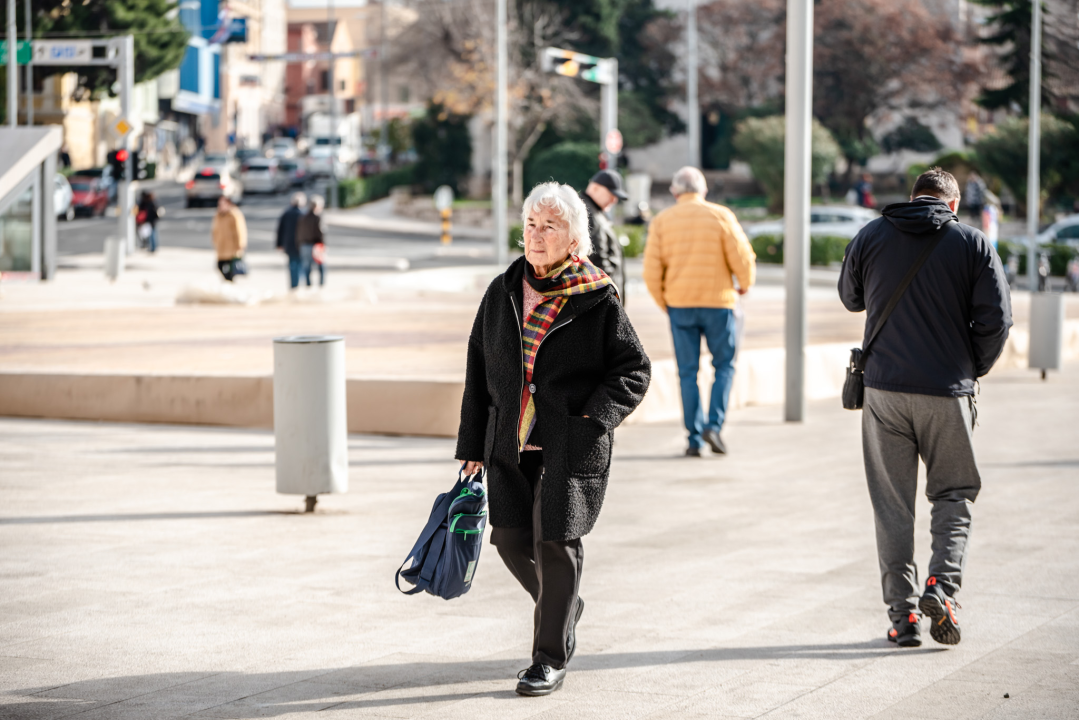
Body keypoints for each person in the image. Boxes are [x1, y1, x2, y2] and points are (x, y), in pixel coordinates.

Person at [456, 182, 651, 697]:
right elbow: (478, 369)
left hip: (571, 441)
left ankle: (549, 657)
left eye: (551, 227)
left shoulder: (597, 296)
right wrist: (471, 445)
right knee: (509, 537)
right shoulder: (503, 291)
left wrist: (595, 417)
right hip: (508, 442)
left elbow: (634, 368)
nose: (537, 237)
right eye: (531, 226)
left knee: (555, 542)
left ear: (574, 239)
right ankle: (563, 607)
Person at [839, 167, 1012, 648]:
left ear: (913, 196)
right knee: (954, 493)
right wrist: (969, 366)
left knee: (892, 507)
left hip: (884, 392)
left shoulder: (871, 235)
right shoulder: (973, 244)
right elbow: (998, 320)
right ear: (953, 205)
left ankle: (903, 618)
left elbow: (850, 298)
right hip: (947, 392)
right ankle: (942, 586)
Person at [642, 166, 756, 457]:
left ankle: (694, 438)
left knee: (687, 373)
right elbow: (742, 257)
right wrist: (744, 285)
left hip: (680, 306)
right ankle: (714, 426)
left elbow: (651, 271)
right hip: (719, 305)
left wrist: (665, 301)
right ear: (703, 190)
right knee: (724, 366)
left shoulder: (662, 221)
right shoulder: (720, 215)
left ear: (674, 192)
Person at [581, 170, 628, 299]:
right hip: (602, 296)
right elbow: (596, 260)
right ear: (595, 188)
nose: (614, 200)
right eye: (611, 195)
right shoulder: (588, 213)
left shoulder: (593, 211)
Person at [211, 196, 248, 282]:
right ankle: (228, 281)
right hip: (221, 246)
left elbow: (240, 230)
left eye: (223, 204)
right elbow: (214, 230)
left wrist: (241, 243)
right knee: (219, 266)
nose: (221, 206)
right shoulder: (217, 215)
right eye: (220, 204)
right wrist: (215, 241)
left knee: (231, 268)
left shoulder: (234, 214)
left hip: (231, 246)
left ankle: (230, 282)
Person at [275, 191, 307, 288]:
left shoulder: (287, 213)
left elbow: (280, 230)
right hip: (301, 243)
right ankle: (299, 283)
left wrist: (279, 244)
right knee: (300, 264)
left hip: (289, 243)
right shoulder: (303, 214)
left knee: (292, 264)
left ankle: (294, 284)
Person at [297, 194, 325, 286]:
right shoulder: (318, 218)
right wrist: (323, 244)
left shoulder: (303, 217)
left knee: (306, 267)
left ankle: (308, 284)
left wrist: (299, 243)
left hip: (304, 245)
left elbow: (299, 232)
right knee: (321, 266)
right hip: (316, 245)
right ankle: (321, 284)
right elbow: (321, 232)